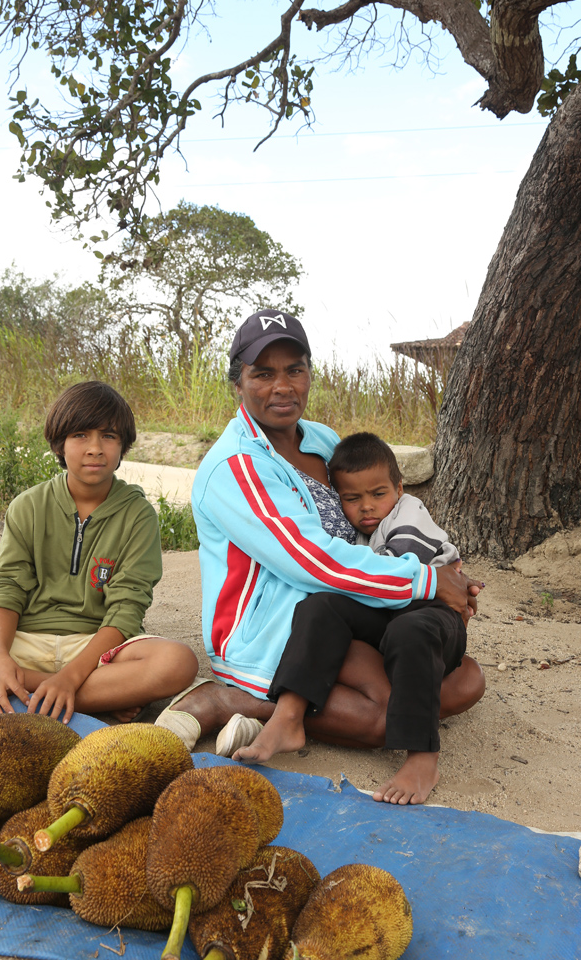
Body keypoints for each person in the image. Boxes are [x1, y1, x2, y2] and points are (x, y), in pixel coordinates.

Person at [156, 310, 485, 803]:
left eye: (295, 369)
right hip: (273, 622)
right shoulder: (235, 466)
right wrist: (425, 582)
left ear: (310, 373)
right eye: (262, 373)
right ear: (238, 382)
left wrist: (440, 570)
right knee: (384, 714)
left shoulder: (322, 441)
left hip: (340, 604)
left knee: (466, 680)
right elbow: (314, 561)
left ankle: (279, 703)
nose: (281, 385)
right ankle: (229, 699)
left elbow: (368, 529)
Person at [0, 381, 198, 742]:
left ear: (123, 447)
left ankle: (5, 701)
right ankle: (82, 700)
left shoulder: (138, 515)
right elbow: (7, 590)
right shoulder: (28, 505)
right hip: (23, 641)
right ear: (59, 444)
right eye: (79, 435)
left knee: (178, 663)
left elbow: (126, 610)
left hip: (96, 648)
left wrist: (71, 676)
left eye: (108, 436)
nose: (94, 448)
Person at [232, 432, 474, 804]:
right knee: (320, 605)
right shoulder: (358, 535)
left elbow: (392, 575)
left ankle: (423, 757)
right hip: (388, 613)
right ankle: (289, 717)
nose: (367, 507)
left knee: (412, 631)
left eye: (378, 494)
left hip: (435, 615)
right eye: (352, 498)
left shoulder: (410, 514)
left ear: (399, 487)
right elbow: (356, 584)